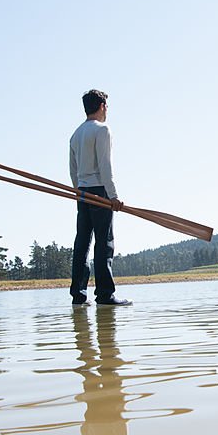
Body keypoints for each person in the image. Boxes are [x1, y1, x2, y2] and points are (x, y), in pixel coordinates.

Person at [69, 89, 131, 306]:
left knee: (82, 243)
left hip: (83, 193)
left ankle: (78, 295)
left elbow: (73, 170)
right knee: (104, 243)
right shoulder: (102, 130)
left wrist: (79, 191)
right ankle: (105, 295)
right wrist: (113, 197)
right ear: (102, 106)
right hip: (100, 191)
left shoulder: (75, 134)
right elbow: (105, 166)